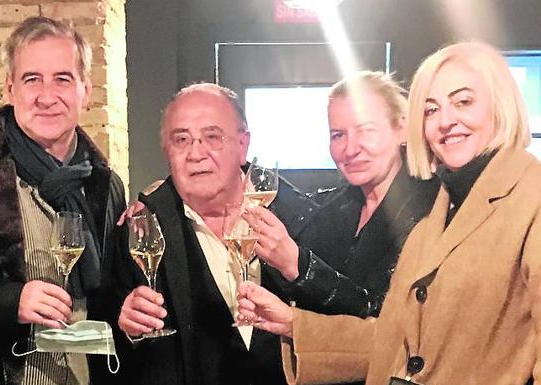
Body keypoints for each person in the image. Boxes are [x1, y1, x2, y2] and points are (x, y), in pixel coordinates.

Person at [238, 41, 541, 385]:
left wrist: (300, 267)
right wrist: (295, 324)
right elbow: (394, 339)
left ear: (501, 106)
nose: (446, 121)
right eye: (430, 110)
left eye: (463, 102)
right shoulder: (442, 213)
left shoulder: (531, 198)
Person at [0, 16, 125, 385]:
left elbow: (106, 296)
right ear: (11, 89)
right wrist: (10, 301)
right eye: (32, 79)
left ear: (85, 91)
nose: (47, 96)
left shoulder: (105, 185)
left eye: (63, 79)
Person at [115, 82, 316, 385]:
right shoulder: (140, 231)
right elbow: (112, 346)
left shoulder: (302, 217)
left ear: (243, 144)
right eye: (181, 139)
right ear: (166, 150)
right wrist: (127, 329)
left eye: (212, 137)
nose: (196, 153)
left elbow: (339, 331)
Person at [243, 71, 438, 320]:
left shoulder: (431, 208)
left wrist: (300, 267)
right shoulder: (338, 205)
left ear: (401, 130)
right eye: (338, 135)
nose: (351, 148)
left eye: (366, 130)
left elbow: (391, 318)